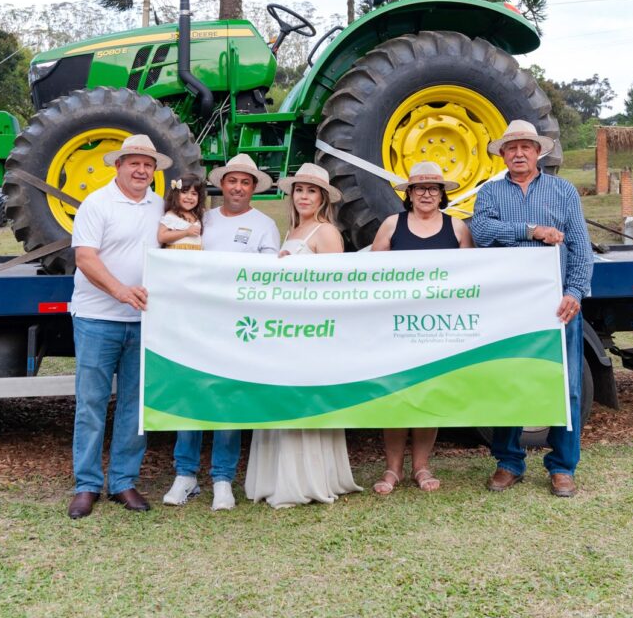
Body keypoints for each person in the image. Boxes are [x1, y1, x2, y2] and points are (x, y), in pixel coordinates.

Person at [471, 119, 594, 498]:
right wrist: (531, 230)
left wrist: (574, 291)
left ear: (538, 151)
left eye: (526, 146)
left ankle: (562, 467)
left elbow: (580, 247)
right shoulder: (489, 194)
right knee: (509, 379)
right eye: (511, 147)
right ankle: (509, 462)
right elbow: (480, 232)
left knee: (567, 385)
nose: (519, 152)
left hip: (558, 306)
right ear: (503, 154)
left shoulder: (563, 192)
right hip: (510, 307)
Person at [163, 154, 280, 511]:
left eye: (246, 182)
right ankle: (185, 476)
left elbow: (270, 278)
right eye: (232, 181)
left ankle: (223, 479)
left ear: (254, 188)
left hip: (236, 329)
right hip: (196, 325)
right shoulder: (202, 219)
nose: (238, 188)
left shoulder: (264, 226)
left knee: (226, 400)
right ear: (222, 184)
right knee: (190, 396)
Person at [245, 163, 362, 509]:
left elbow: (335, 289)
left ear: (323, 198)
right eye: (299, 190)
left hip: (311, 334)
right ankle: (275, 477)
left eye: (311, 191)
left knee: (304, 402)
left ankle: (307, 479)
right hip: (285, 333)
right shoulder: (293, 232)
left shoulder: (325, 233)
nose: (304, 196)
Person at [67, 134, 172, 520]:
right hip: (98, 319)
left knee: (134, 407)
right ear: (119, 166)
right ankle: (86, 485)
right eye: (134, 163)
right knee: (91, 404)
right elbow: (85, 259)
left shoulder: (159, 207)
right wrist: (122, 292)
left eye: (148, 165)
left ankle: (124, 481)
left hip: (144, 321)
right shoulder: (97, 204)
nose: (142, 170)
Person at [370, 161, 473, 494]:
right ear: (409, 194)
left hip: (437, 329)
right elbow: (370, 275)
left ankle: (422, 467)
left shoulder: (457, 229)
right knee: (396, 395)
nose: (426, 194)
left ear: (442, 194)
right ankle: (392, 470)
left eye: (433, 189)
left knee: (429, 395)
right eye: (419, 188)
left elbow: (470, 279)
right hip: (396, 326)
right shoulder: (391, 225)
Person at [159, 175, 206, 250]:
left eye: (194, 194)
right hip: (177, 257)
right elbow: (162, 237)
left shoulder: (197, 215)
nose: (189, 197)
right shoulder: (171, 215)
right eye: (184, 192)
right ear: (176, 194)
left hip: (194, 257)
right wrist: (186, 232)